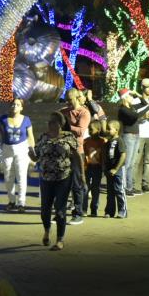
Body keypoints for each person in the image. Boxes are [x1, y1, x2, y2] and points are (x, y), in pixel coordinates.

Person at [30, 111, 77, 250]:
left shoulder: (69, 137)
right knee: (45, 210)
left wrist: (81, 175)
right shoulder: (44, 137)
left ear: (60, 124)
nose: (50, 125)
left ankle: (60, 240)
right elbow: (36, 157)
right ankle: (46, 231)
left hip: (64, 177)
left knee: (60, 210)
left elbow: (76, 156)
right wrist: (31, 155)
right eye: (49, 122)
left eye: (53, 122)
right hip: (46, 178)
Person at [0, 98, 35, 212]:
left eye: (17, 105)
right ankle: (11, 201)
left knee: (21, 176)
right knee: (8, 176)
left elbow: (30, 136)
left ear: (21, 108)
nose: (14, 106)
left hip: (22, 149)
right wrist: (1, 137)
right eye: (13, 104)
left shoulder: (26, 119)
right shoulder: (3, 119)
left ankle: (21, 203)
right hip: (7, 149)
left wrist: (32, 153)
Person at [60, 88, 90, 225]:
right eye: (66, 99)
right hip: (63, 150)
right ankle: (59, 214)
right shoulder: (63, 111)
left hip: (77, 152)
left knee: (77, 183)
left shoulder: (84, 112)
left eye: (70, 99)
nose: (68, 102)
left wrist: (65, 126)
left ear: (78, 98)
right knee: (61, 183)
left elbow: (80, 131)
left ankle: (78, 213)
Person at [116, 88, 149, 197]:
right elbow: (135, 116)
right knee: (127, 163)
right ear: (125, 97)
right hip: (128, 136)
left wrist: (137, 94)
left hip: (135, 136)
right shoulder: (123, 110)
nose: (132, 97)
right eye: (130, 96)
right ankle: (124, 187)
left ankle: (129, 187)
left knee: (132, 163)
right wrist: (145, 110)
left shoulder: (132, 107)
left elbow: (145, 103)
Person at [103, 120, 128, 218]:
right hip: (109, 170)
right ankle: (109, 211)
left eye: (110, 129)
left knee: (119, 190)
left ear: (116, 130)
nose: (108, 130)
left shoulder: (119, 141)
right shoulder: (109, 141)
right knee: (110, 192)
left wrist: (116, 169)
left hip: (118, 171)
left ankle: (122, 211)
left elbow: (123, 155)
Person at [83, 120, 106, 217]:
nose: (89, 131)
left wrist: (104, 168)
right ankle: (84, 209)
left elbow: (105, 156)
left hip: (98, 168)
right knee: (85, 188)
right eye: (88, 129)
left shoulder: (103, 142)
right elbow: (83, 155)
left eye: (91, 129)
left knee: (95, 189)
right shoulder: (86, 141)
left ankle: (94, 210)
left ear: (98, 130)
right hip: (88, 167)